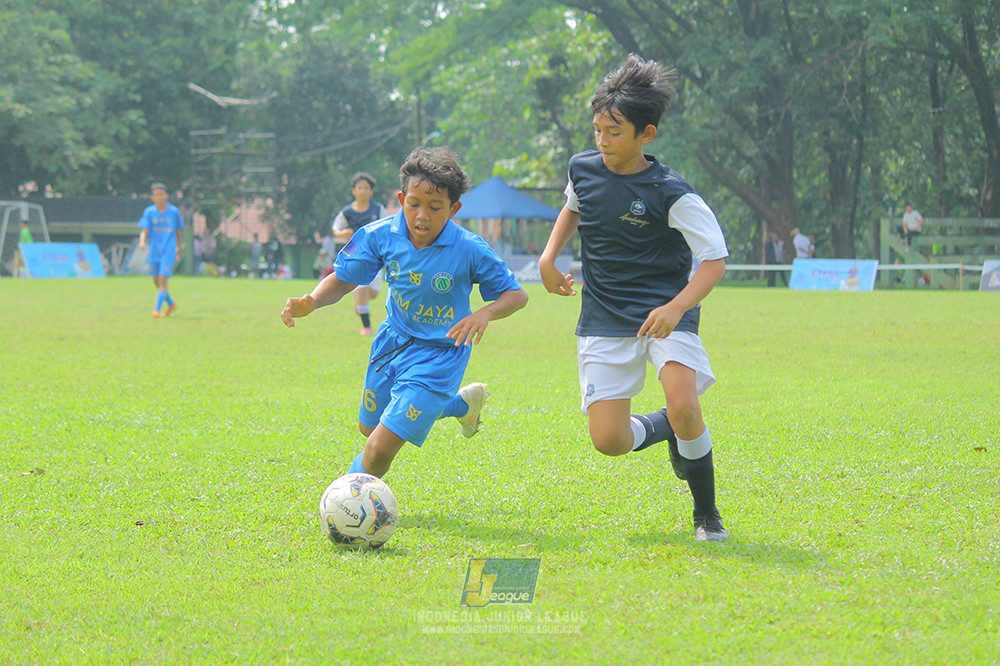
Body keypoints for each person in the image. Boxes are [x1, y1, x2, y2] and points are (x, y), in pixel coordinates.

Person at [538, 54, 730, 542]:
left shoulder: (672, 192)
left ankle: (706, 515)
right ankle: (667, 428)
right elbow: (572, 207)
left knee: (685, 403)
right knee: (609, 441)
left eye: (614, 131)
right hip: (603, 315)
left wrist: (677, 307)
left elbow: (714, 262)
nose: (602, 141)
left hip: (666, 312)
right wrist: (547, 259)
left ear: (647, 134)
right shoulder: (583, 169)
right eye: (597, 129)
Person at [281, 147, 529, 479]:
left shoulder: (469, 249)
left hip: (441, 354)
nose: (422, 216)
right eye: (413, 204)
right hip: (393, 341)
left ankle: (348, 499)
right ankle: (461, 405)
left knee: (379, 447)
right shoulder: (379, 236)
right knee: (369, 429)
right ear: (401, 199)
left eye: (435, 207)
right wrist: (311, 301)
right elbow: (343, 279)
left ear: (453, 209)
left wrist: (484, 314)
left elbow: (517, 295)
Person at [332, 172, 387, 334]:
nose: (363, 191)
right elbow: (336, 228)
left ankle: (359, 296)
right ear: (354, 191)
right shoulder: (347, 212)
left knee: (373, 293)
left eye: (366, 188)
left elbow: (386, 227)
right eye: (359, 188)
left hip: (376, 255)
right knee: (363, 288)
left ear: (371, 191)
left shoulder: (378, 209)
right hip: (356, 255)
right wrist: (341, 233)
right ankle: (367, 327)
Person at [138, 183, 184, 317]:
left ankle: (156, 309)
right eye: (156, 194)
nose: (159, 197)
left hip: (168, 251)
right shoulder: (149, 212)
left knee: (163, 280)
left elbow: (178, 231)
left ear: (166, 196)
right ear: (152, 197)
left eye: (161, 194)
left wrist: (179, 247)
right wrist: (142, 241)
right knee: (156, 280)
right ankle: (171, 304)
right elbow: (144, 230)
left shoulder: (174, 212)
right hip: (154, 251)